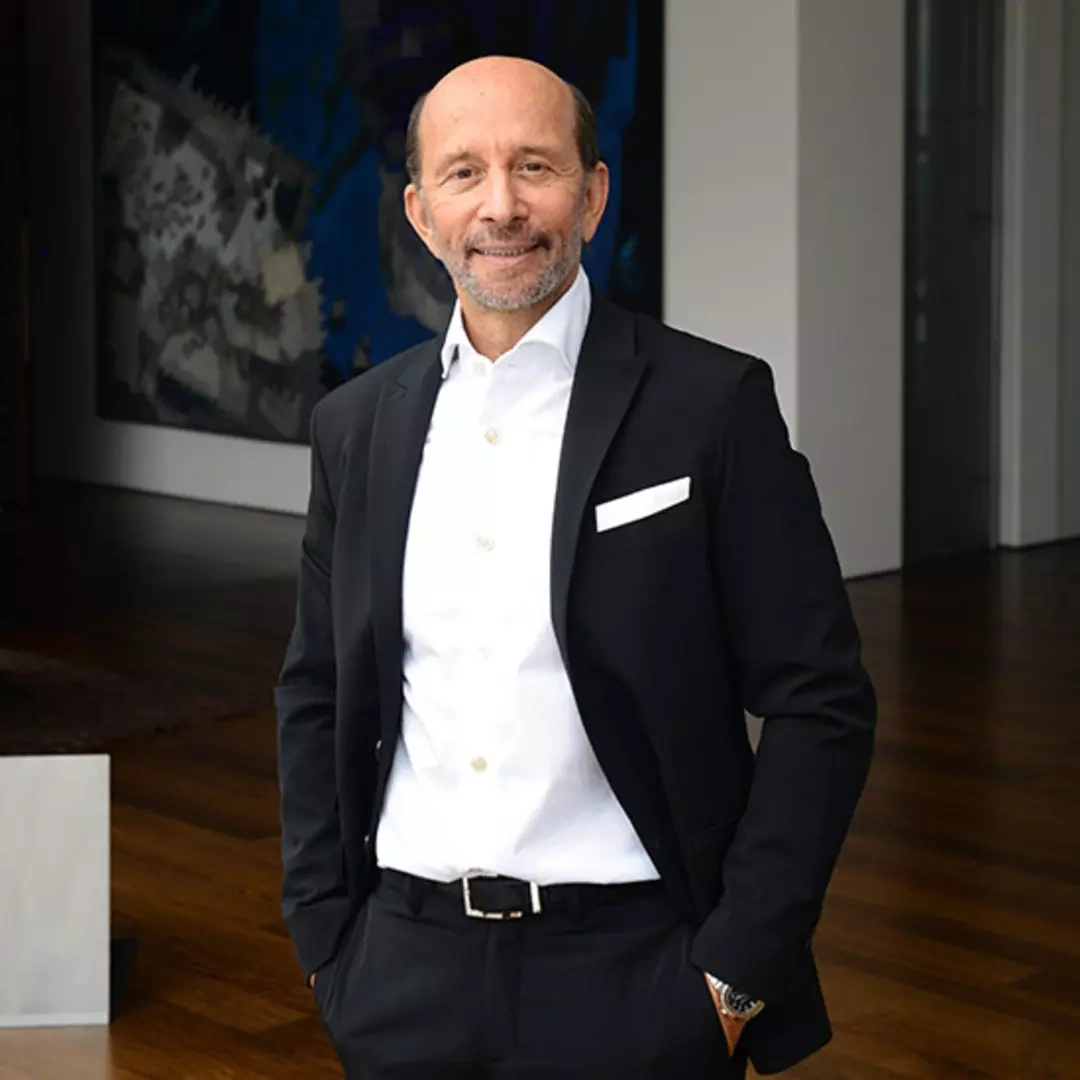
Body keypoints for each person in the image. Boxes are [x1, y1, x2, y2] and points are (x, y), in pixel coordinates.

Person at [276, 55, 876, 1080]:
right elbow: (317, 691)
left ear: (592, 194)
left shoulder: (711, 406)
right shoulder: (355, 427)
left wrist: (733, 974)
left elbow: (821, 699)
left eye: (535, 166)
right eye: (464, 173)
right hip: (401, 974)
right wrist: (326, 941)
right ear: (421, 212)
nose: (501, 206)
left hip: (637, 975)